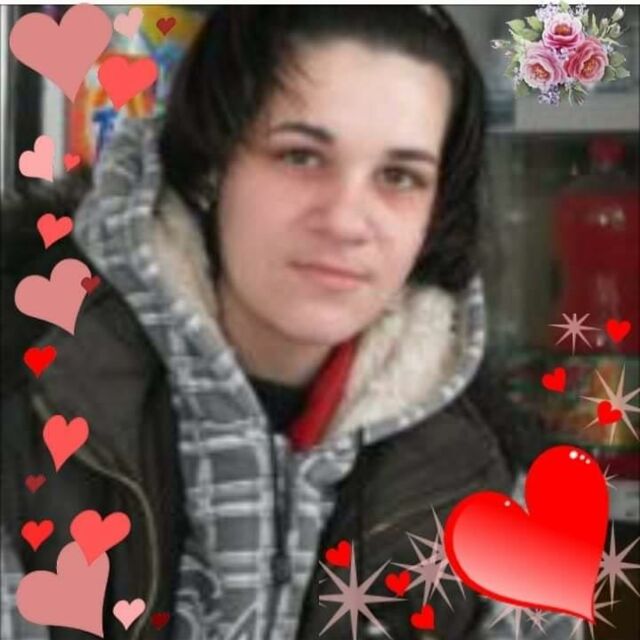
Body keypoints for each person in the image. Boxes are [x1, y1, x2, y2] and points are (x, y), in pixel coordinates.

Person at [1, 6, 580, 640]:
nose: (345, 220)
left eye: (399, 177)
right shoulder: (28, 401)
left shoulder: (506, 488)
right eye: (301, 156)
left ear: (435, 214)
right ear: (211, 166)